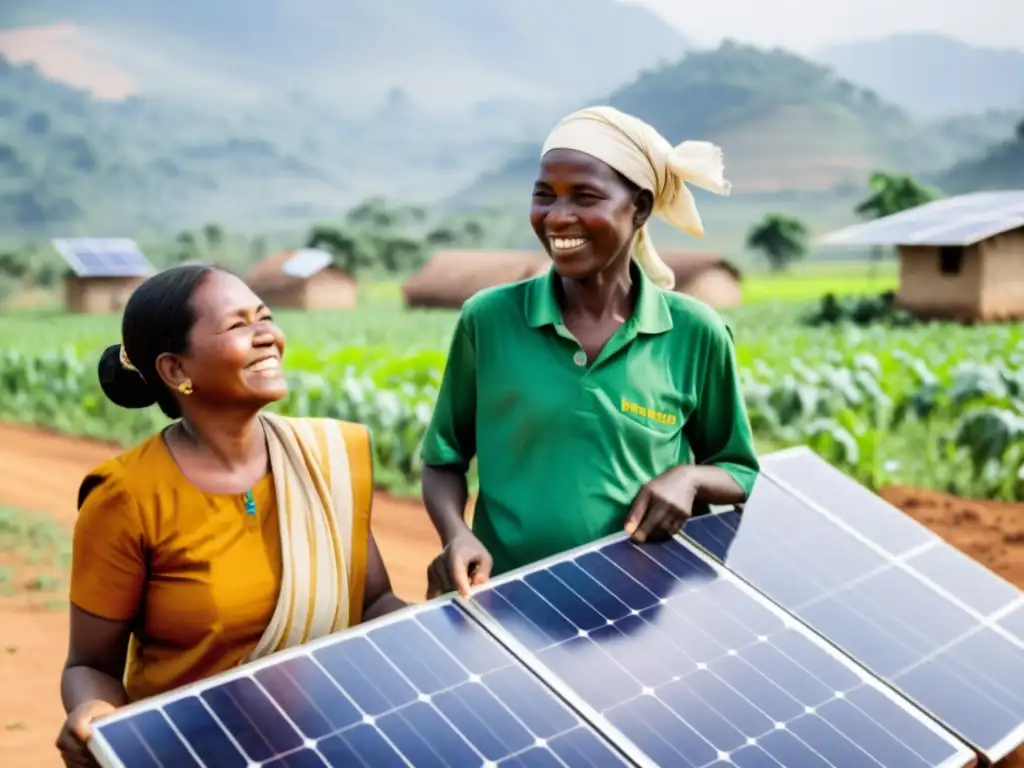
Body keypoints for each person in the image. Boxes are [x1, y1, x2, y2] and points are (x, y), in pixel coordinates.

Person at [56, 264, 404, 768]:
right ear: (176, 370)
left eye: (264, 316)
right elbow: (90, 663)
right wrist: (95, 711)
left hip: (327, 742)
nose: (268, 336)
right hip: (188, 751)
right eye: (239, 325)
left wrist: (456, 624)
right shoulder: (128, 496)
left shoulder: (328, 457)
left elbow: (372, 603)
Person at [422, 105, 760, 598]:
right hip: (508, 601)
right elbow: (443, 460)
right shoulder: (489, 320)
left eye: (585, 196)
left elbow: (739, 470)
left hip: (643, 607)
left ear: (639, 208)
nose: (558, 216)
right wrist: (457, 535)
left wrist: (690, 478)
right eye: (544, 195)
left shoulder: (695, 332)